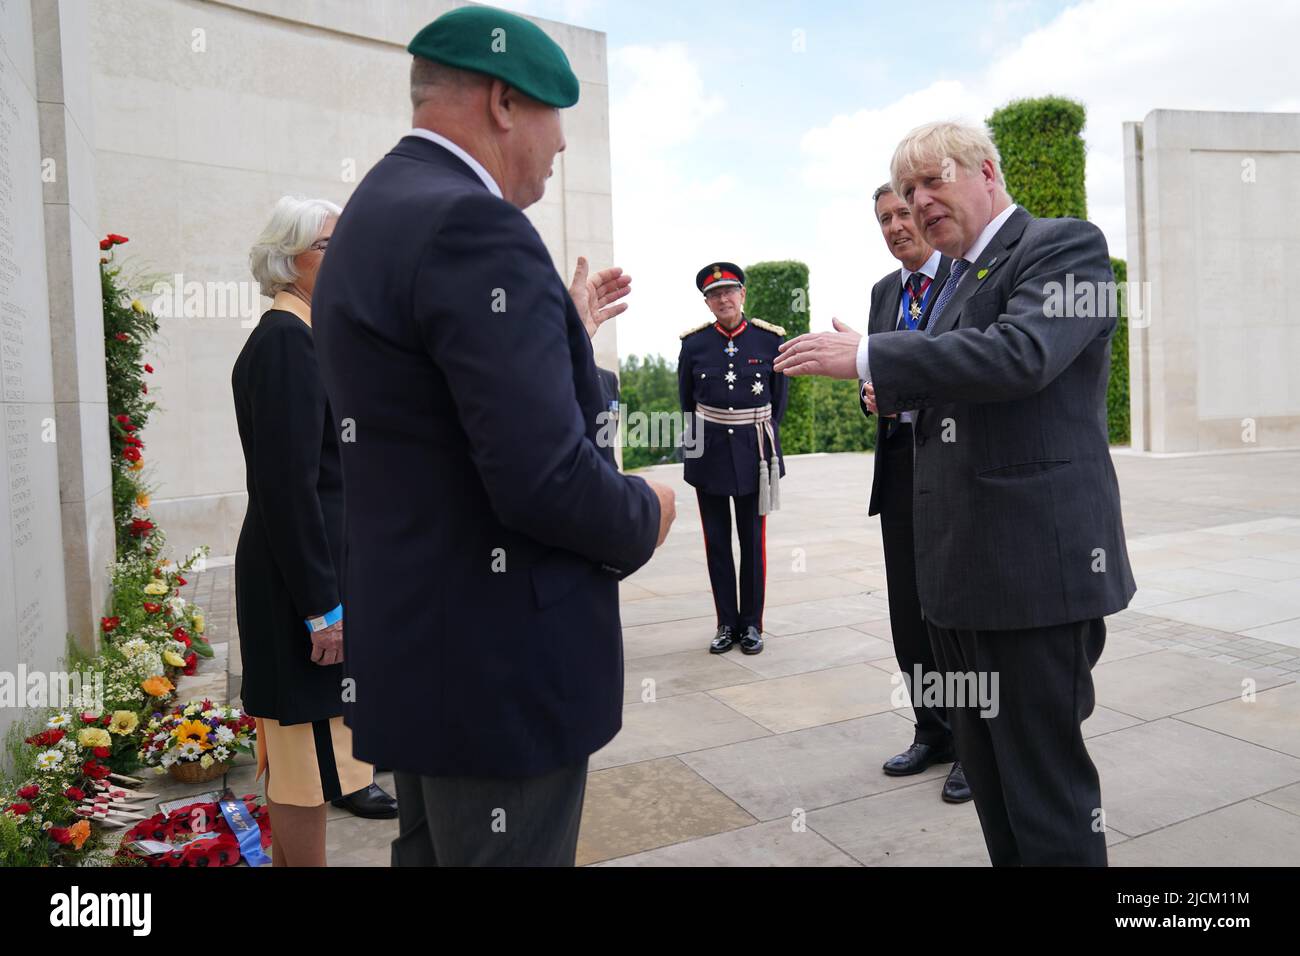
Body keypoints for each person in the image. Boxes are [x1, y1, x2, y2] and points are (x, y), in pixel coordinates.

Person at [312, 6, 676, 867]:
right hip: (498, 672)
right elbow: (541, 478)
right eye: (558, 119)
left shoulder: (374, 212)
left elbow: (443, 414)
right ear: (507, 102)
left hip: (423, 657)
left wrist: (564, 338)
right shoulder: (473, 227)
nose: (561, 149)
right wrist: (643, 511)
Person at [774, 121, 1135, 865]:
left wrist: (871, 353)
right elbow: (952, 388)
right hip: (955, 583)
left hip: (1032, 579)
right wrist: (892, 391)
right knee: (997, 793)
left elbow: (1022, 354)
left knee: (1046, 798)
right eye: (907, 192)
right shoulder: (950, 283)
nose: (918, 202)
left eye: (934, 180)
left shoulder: (1066, 247)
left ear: (988, 171)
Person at [233, 196, 391, 866]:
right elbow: (288, 488)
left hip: (311, 577)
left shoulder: (307, 331)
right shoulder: (284, 341)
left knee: (318, 756)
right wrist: (321, 609)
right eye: (328, 244)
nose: (343, 253)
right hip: (295, 588)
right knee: (300, 765)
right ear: (286, 258)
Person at [855, 182, 969, 803]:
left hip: (950, 466)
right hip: (899, 469)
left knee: (954, 613)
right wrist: (870, 392)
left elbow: (967, 367)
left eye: (903, 213)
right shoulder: (883, 293)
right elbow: (875, 374)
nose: (896, 226)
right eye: (884, 219)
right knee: (909, 613)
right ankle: (933, 731)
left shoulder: (964, 280)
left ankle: (975, 749)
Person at [678, 262, 787, 656]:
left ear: (742, 294)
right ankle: (726, 623)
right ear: (707, 303)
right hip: (708, 455)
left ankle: (752, 625)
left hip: (754, 452)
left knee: (752, 542)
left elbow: (778, 403)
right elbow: (687, 405)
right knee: (717, 543)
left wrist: (766, 442)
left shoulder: (768, 341)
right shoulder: (693, 346)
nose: (723, 299)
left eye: (729, 291)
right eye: (714, 294)